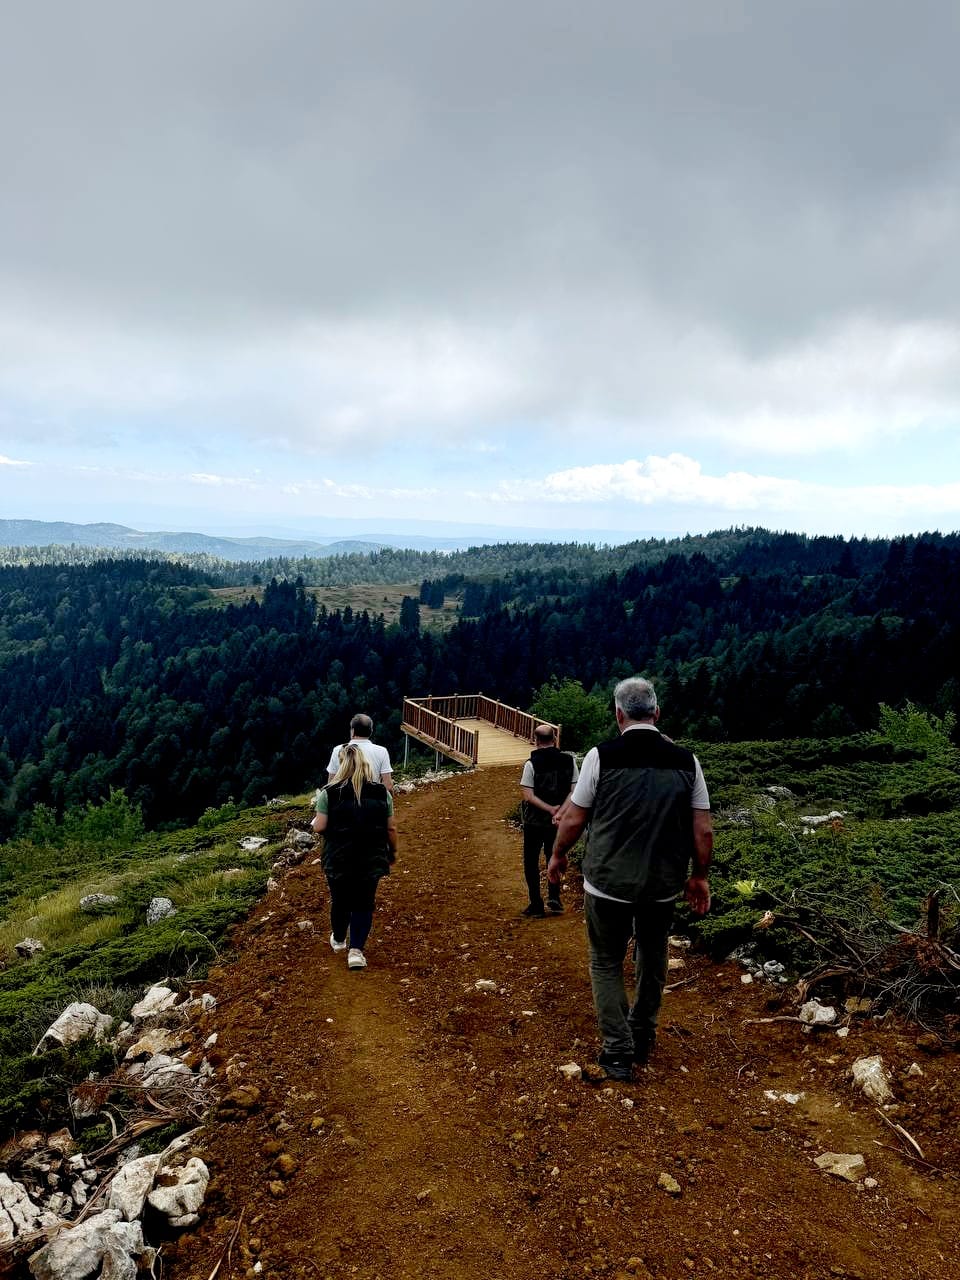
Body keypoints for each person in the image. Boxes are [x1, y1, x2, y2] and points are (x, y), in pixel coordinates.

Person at [548, 676, 713, 1080]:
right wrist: (699, 876)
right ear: (656, 713)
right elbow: (703, 829)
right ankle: (643, 1033)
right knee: (653, 958)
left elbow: (575, 816)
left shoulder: (600, 756)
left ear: (618, 714)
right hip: (662, 884)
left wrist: (557, 855)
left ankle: (617, 1051)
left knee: (605, 962)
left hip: (607, 883)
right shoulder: (686, 761)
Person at [311, 742, 398, 970]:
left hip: (337, 857)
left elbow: (320, 827)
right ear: (366, 765)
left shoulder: (328, 793)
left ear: (341, 765)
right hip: (371, 857)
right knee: (364, 903)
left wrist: (318, 824)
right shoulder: (382, 793)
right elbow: (390, 828)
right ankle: (356, 952)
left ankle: (339, 938)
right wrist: (393, 851)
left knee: (340, 900)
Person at [519, 724, 578, 916]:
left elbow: (528, 796)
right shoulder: (569, 761)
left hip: (535, 821)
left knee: (531, 861)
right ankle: (554, 897)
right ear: (555, 739)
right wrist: (560, 811)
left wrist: (549, 808)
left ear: (536, 741)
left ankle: (536, 904)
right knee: (554, 856)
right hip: (559, 822)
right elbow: (574, 791)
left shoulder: (531, 764)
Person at [327, 713, 393, 791]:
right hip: (372, 800)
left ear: (353, 731)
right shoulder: (382, 751)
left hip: (343, 800)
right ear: (371, 731)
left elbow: (331, 783)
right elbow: (388, 785)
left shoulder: (338, 750)